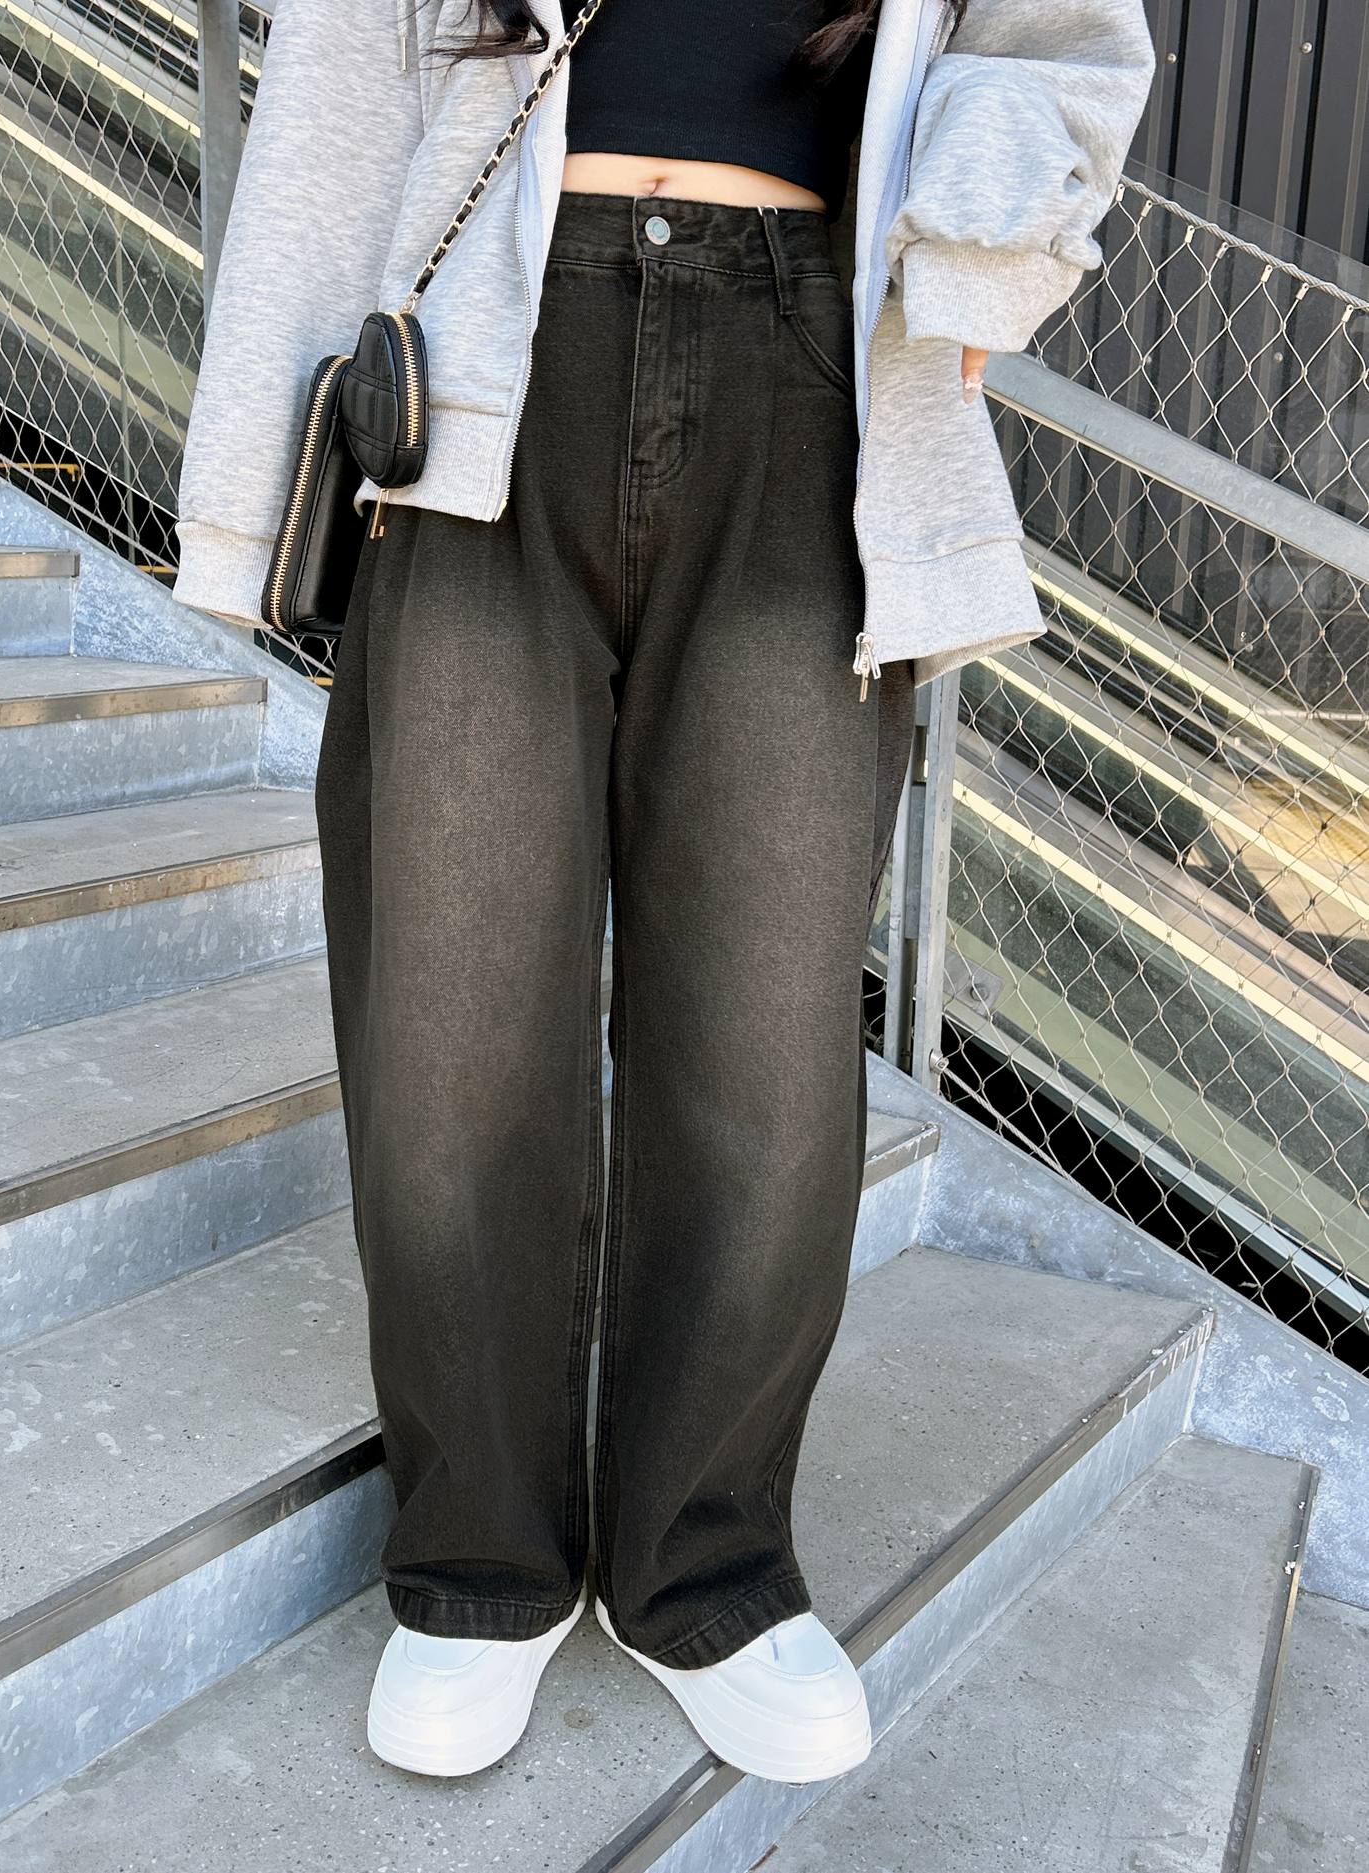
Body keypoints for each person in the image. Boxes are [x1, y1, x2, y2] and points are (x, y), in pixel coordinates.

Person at [173, 0, 1155, 1786]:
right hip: (486, 367)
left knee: (762, 1041)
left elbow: (1062, 39)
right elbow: (337, 83)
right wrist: (248, 483)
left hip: (814, 366)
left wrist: (967, 262)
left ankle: (705, 1567)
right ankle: (480, 1562)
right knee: (449, 1020)